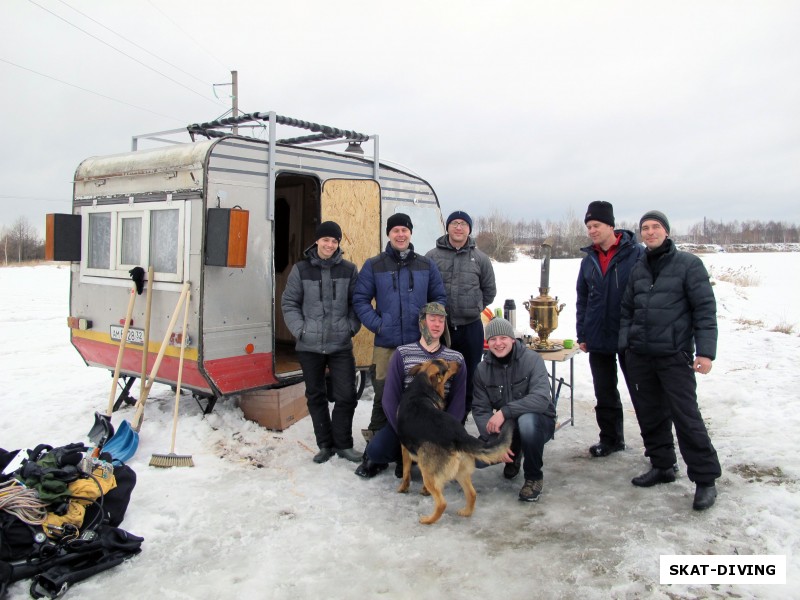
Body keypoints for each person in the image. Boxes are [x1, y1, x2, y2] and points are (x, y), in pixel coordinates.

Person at [619, 210, 721, 511]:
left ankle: (705, 479)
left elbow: (704, 310)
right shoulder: (639, 269)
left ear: (666, 231)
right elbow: (627, 310)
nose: (649, 233)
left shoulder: (688, 265)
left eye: (655, 227)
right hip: (640, 356)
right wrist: (627, 344)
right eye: (645, 228)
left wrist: (705, 352)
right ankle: (662, 465)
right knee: (650, 414)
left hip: (674, 356)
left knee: (686, 417)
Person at [353, 213, 447, 442]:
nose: (400, 234)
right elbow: (360, 300)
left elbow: (439, 299)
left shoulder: (426, 265)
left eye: (404, 230)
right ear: (389, 234)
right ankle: (377, 444)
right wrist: (379, 325)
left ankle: (420, 444)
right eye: (395, 230)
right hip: (387, 344)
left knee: (421, 393)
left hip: (419, 345)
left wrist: (428, 330)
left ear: (410, 233)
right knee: (383, 394)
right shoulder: (374, 265)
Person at [281, 221, 362, 464]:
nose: (329, 244)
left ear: (338, 244)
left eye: (334, 241)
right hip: (309, 346)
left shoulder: (348, 270)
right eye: (325, 239)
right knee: (315, 396)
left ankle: (344, 444)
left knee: (346, 395)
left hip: (340, 345)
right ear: (317, 241)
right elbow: (289, 303)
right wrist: (300, 329)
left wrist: (350, 327)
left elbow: (356, 304)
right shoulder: (301, 270)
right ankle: (325, 445)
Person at [354, 302, 466, 478]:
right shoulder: (403, 353)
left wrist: (444, 431)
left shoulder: (455, 358)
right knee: (376, 450)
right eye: (432, 319)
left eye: (441, 320)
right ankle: (404, 456)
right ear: (422, 322)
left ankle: (420, 457)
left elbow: (459, 401)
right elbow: (390, 398)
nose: (437, 324)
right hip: (408, 422)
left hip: (438, 425)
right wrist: (404, 428)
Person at [576, 200, 644, 458]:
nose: (592, 230)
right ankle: (611, 439)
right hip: (598, 335)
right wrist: (583, 333)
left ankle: (656, 448)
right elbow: (583, 298)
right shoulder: (588, 260)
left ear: (611, 226)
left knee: (641, 393)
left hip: (630, 335)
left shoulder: (635, 254)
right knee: (604, 392)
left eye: (597, 225)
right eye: (589, 226)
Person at [472, 318, 556, 502]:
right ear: (488, 342)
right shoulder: (482, 370)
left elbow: (541, 399)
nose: (498, 343)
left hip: (538, 422)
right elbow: (480, 409)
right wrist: (496, 444)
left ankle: (533, 478)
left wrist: (504, 412)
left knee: (527, 422)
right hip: (508, 427)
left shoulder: (532, 360)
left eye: (503, 338)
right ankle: (515, 452)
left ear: (512, 339)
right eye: (493, 339)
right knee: (478, 459)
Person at [426, 210, 496, 419]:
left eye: (463, 224)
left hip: (470, 327)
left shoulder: (480, 259)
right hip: (441, 328)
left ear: (469, 229)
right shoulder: (432, 256)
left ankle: (461, 416)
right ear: (447, 227)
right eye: (454, 223)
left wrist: (475, 306)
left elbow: (489, 290)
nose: (458, 227)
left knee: (468, 374)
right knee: (438, 372)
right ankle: (438, 414)